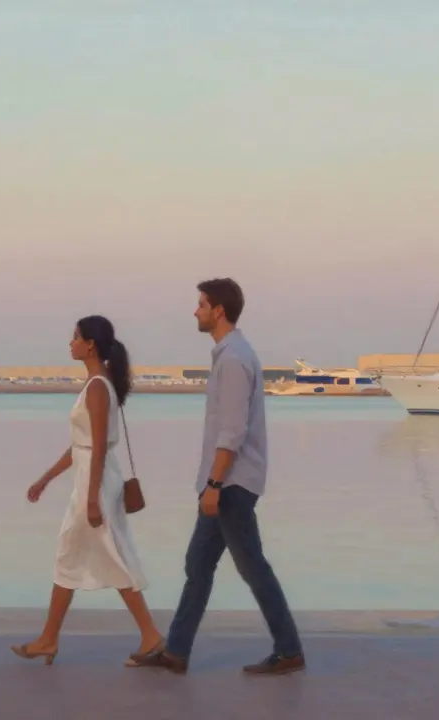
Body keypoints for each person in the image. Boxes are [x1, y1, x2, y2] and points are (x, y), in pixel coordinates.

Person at [135, 278, 304, 676]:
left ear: (219, 311)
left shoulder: (233, 359)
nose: (195, 311)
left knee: (252, 567)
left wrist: (213, 485)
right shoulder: (231, 354)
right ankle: (176, 652)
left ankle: (289, 650)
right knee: (198, 564)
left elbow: (232, 431)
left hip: (230, 484)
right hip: (224, 482)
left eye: (201, 304)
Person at [11, 315, 164, 665]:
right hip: (93, 479)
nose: (71, 343)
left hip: (95, 484)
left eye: (76, 337)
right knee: (81, 555)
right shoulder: (97, 384)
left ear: (90, 344)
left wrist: (92, 499)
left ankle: (147, 635)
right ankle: (51, 638)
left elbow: (96, 449)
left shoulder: (97, 387)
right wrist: (45, 478)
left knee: (97, 555)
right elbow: (80, 447)